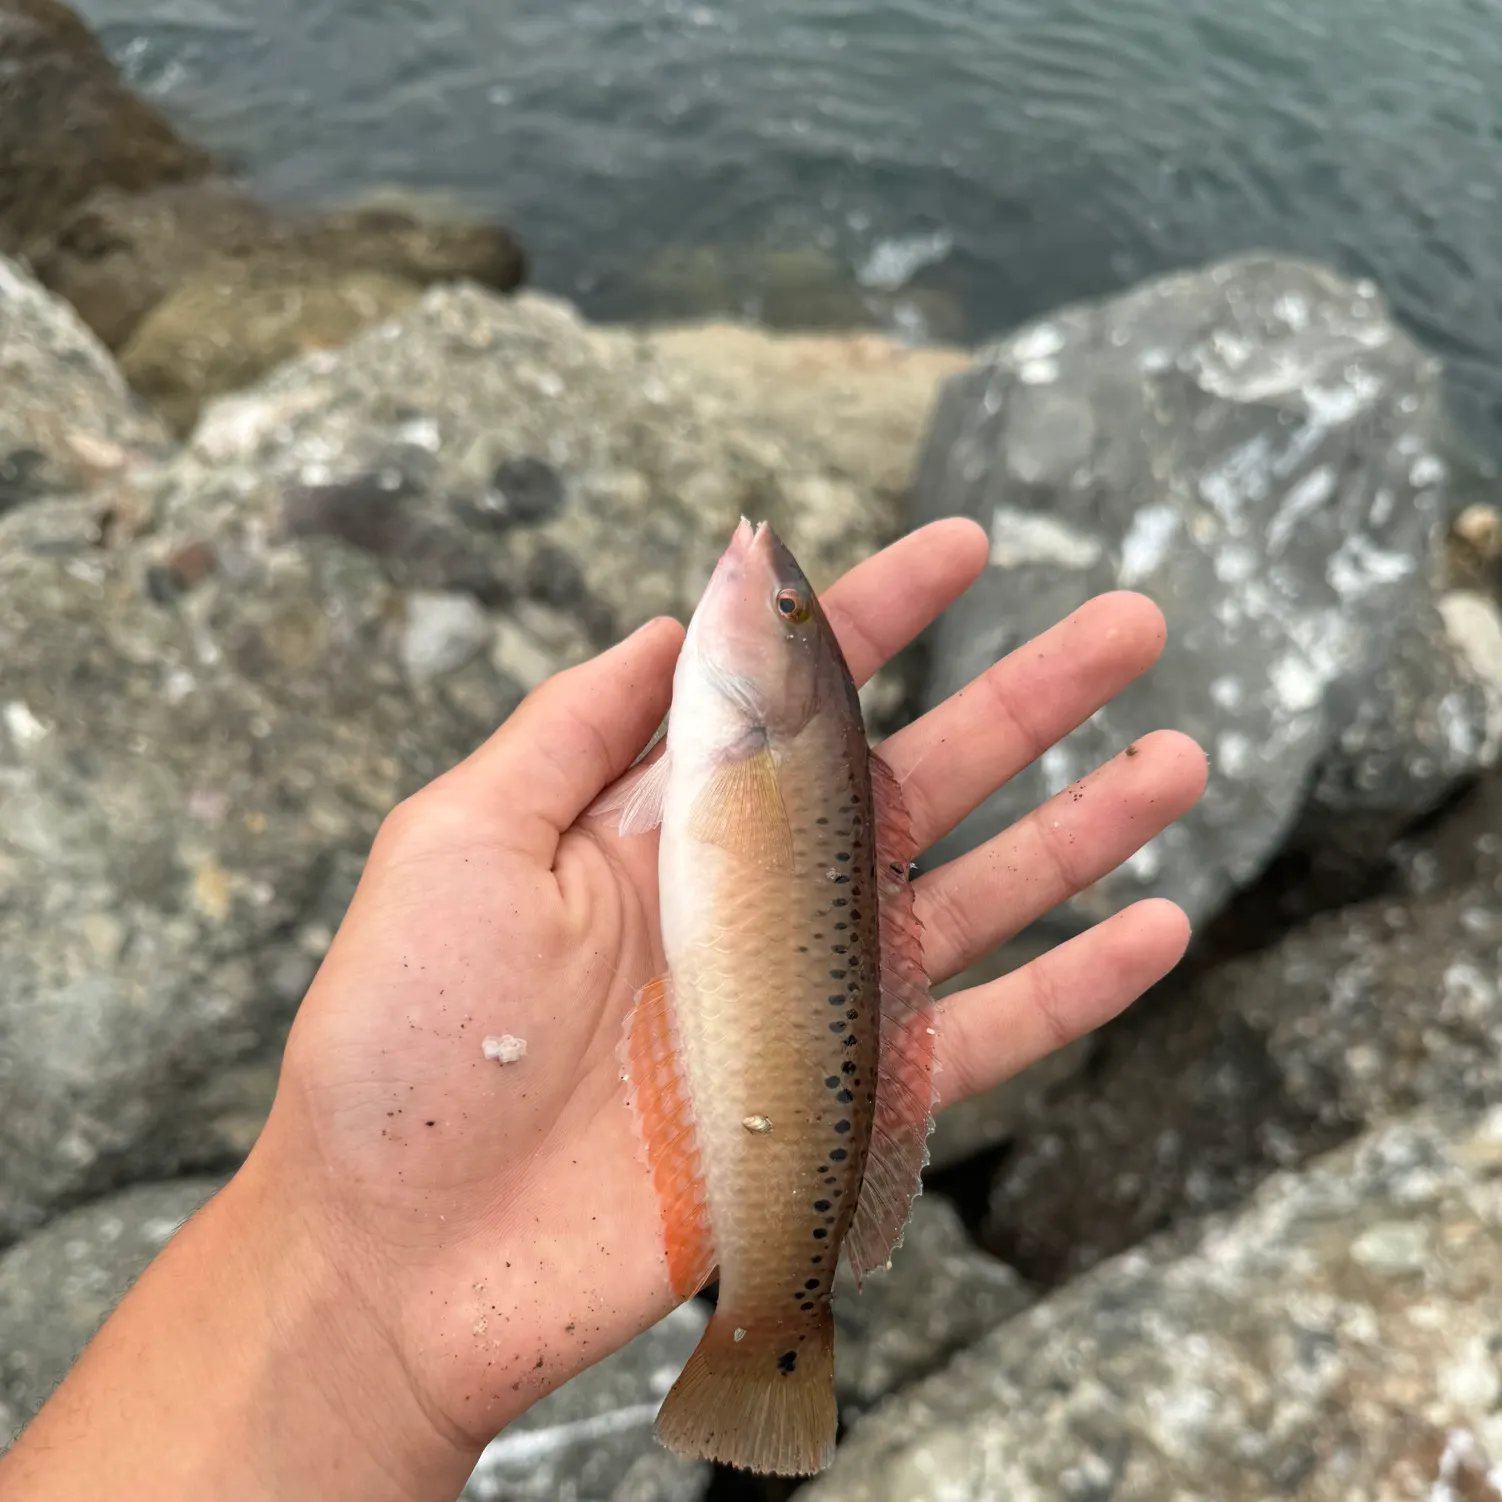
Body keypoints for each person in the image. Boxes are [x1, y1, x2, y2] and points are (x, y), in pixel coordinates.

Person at [0, 519, 1206, 1500]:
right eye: (794, 606)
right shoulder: (744, 737)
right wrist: (352, 1268)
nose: (759, 563)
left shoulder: (748, 737)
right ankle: (768, 1330)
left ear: (793, 685)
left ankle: (771, 1327)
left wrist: (355, 1302)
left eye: (788, 611)